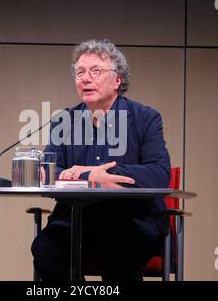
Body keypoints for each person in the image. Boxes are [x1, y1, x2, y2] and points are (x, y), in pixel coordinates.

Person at [31, 39, 171, 281]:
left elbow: (159, 173)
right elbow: (50, 172)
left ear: (117, 80)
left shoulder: (146, 118)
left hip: (130, 219)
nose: (86, 78)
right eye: (80, 72)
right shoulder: (63, 121)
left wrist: (102, 175)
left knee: (118, 253)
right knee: (46, 250)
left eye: (96, 71)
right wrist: (91, 176)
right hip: (76, 219)